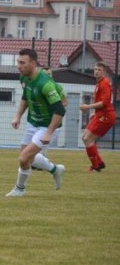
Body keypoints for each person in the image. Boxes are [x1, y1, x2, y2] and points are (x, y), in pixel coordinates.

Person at [7, 48, 65, 197]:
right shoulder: (24, 78)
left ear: (33, 63)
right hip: (33, 123)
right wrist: (17, 116)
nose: (18, 66)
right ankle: (55, 170)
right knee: (28, 158)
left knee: (23, 158)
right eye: (17, 62)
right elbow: (25, 98)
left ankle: (20, 189)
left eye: (22, 63)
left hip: (48, 126)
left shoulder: (45, 84)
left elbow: (60, 109)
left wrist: (49, 132)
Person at [79, 61, 116, 172]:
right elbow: (104, 102)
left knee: (87, 138)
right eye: (95, 69)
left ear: (104, 72)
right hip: (100, 114)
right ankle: (99, 163)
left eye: (99, 70)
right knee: (85, 137)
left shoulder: (104, 83)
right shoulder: (99, 83)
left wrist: (88, 107)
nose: (96, 72)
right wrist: (95, 112)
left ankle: (96, 166)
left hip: (106, 116)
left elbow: (104, 103)